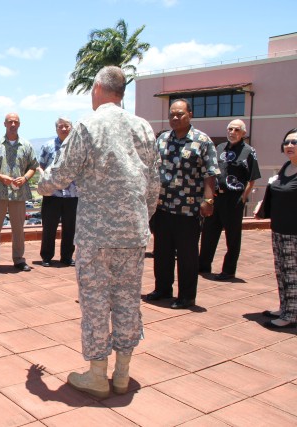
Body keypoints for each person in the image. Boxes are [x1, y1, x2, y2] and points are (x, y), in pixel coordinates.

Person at [38, 66, 160, 399]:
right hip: (133, 234)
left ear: (96, 88)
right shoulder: (143, 128)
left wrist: (42, 184)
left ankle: (97, 376)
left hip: (96, 235)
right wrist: (140, 219)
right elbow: (153, 184)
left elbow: (61, 173)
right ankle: (122, 375)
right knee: (127, 302)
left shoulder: (88, 126)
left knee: (95, 305)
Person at [146, 99, 219, 309]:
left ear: (190, 115)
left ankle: (187, 296)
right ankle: (163, 289)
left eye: (180, 114)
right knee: (162, 251)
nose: (175, 118)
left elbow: (210, 173)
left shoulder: (201, 141)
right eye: (172, 115)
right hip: (162, 206)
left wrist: (208, 200)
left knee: (187, 254)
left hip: (188, 209)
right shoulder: (162, 140)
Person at [199, 119, 260, 280]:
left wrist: (243, 198)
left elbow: (252, 179)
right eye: (230, 129)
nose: (232, 132)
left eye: (237, 130)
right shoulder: (219, 148)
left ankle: (228, 270)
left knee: (232, 237)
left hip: (234, 199)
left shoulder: (249, 151)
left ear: (243, 133)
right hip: (216, 197)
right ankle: (203, 266)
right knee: (208, 233)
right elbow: (211, 171)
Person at [0, 112, 39, 272]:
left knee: (19, 229)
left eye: (15, 122)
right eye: (10, 122)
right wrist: (0, 177)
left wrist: (25, 178)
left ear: (19, 124)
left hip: (18, 194)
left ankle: (19, 259)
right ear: (4, 124)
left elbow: (33, 166)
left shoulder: (26, 145)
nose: (13, 124)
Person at [256, 128, 297, 328]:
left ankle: (291, 315)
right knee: (281, 271)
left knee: (292, 273)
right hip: (279, 229)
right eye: (287, 142)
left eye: (295, 142)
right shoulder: (286, 167)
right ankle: (285, 307)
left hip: (294, 232)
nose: (290, 146)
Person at [38, 117, 77, 267]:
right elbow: (40, 166)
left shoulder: (76, 147)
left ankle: (67, 257)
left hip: (72, 194)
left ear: (71, 128)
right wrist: (45, 180)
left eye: (67, 126)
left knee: (70, 228)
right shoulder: (48, 146)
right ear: (56, 129)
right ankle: (47, 256)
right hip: (52, 194)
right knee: (49, 227)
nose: (64, 129)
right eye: (61, 126)